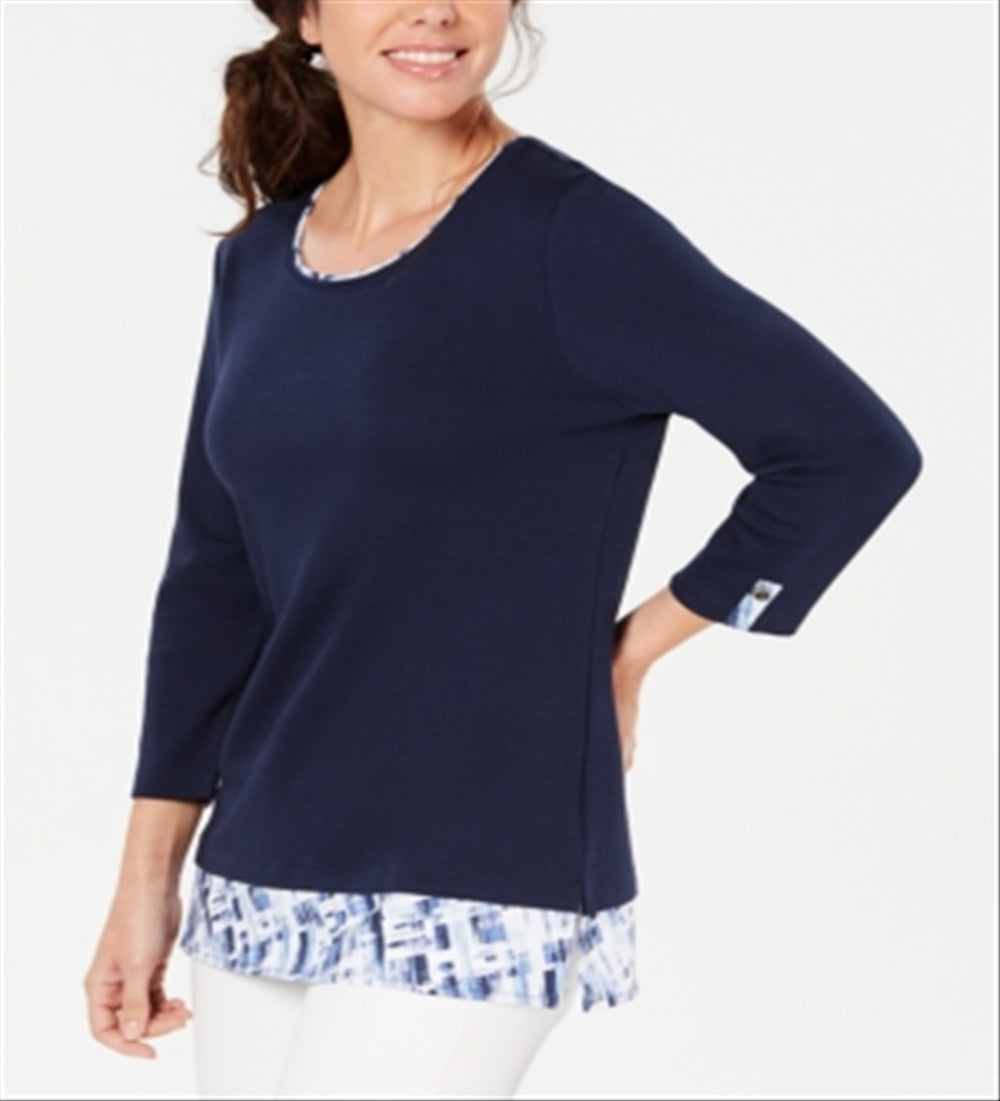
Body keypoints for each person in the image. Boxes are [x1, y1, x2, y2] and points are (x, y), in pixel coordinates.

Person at [83, 1, 923, 1097]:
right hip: (266, 852)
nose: (435, 7)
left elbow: (847, 451)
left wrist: (627, 654)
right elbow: (214, 576)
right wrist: (145, 876)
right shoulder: (259, 262)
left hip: (481, 857)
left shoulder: (570, 235)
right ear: (307, 17)